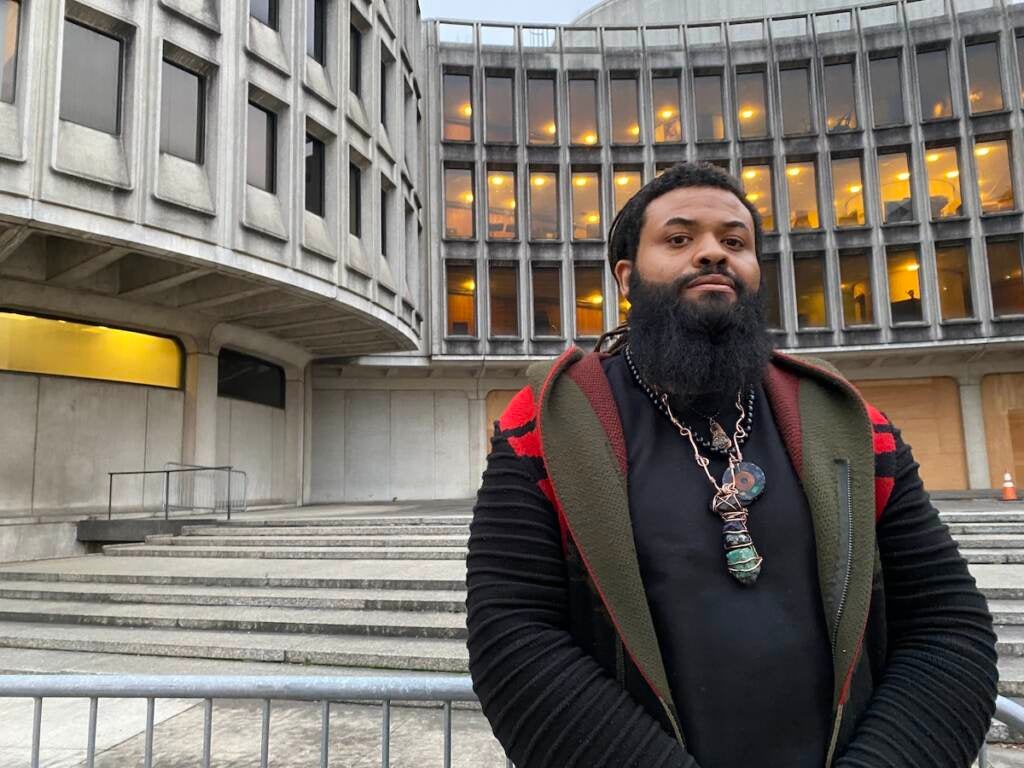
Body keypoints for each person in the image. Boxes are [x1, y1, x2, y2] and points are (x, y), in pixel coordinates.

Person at [465, 162, 998, 768]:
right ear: (626, 276)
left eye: (735, 241)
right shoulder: (546, 420)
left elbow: (947, 624)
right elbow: (512, 638)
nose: (712, 253)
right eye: (679, 238)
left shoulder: (850, 421)